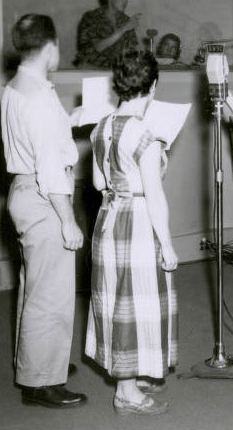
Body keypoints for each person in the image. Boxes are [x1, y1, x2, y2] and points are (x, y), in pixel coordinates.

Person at [85, 49, 179, 416]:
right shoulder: (146, 137)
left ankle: (128, 375)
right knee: (136, 303)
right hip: (137, 222)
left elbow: (97, 182)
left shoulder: (101, 127)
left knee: (115, 298)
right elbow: (155, 196)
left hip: (108, 221)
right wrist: (168, 244)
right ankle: (126, 393)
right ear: (152, 86)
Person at [1, 14, 87, 408]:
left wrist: (73, 121)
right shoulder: (37, 95)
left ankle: (40, 363)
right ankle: (42, 384)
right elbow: (51, 168)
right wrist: (67, 220)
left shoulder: (18, 87)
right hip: (44, 196)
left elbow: (40, 139)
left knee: (34, 288)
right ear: (50, 48)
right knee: (51, 293)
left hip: (24, 190)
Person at [74, 0, 141, 68]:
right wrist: (123, 29)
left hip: (116, 73)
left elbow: (131, 52)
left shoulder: (126, 20)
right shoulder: (91, 17)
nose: (126, 1)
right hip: (90, 71)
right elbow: (97, 47)